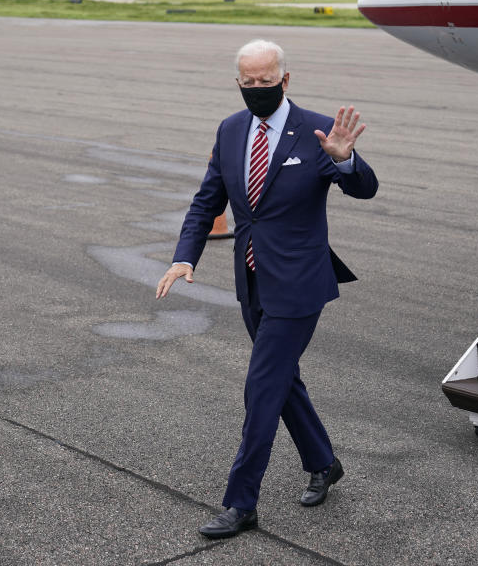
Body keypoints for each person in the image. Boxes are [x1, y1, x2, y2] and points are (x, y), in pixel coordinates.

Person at [156, 39, 378, 539]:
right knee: (281, 381)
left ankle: (241, 503)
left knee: (260, 387)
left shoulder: (317, 130)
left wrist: (345, 163)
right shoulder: (231, 129)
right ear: (238, 82)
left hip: (300, 284)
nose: (257, 89)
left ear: (285, 78)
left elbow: (366, 188)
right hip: (252, 278)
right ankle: (323, 461)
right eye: (248, 82)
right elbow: (206, 199)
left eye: (266, 80)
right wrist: (184, 256)